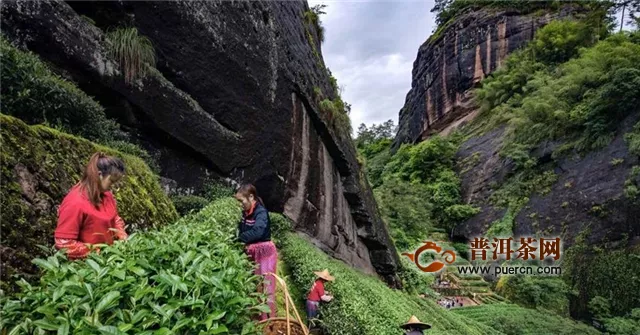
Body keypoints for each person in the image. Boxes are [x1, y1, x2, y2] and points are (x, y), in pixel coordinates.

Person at [54, 152, 128, 259]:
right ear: (99, 175)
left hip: (108, 259)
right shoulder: (75, 202)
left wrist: (122, 235)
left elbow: (115, 218)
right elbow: (64, 243)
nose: (114, 187)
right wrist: (98, 253)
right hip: (85, 266)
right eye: (111, 181)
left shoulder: (107, 195)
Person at [235, 184, 278, 321]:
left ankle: (267, 320)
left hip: (264, 254)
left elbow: (258, 231)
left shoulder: (261, 212)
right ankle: (255, 317)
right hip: (251, 253)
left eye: (241, 201)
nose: (240, 205)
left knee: (265, 287)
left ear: (251, 197)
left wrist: (237, 240)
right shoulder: (244, 213)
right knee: (252, 286)